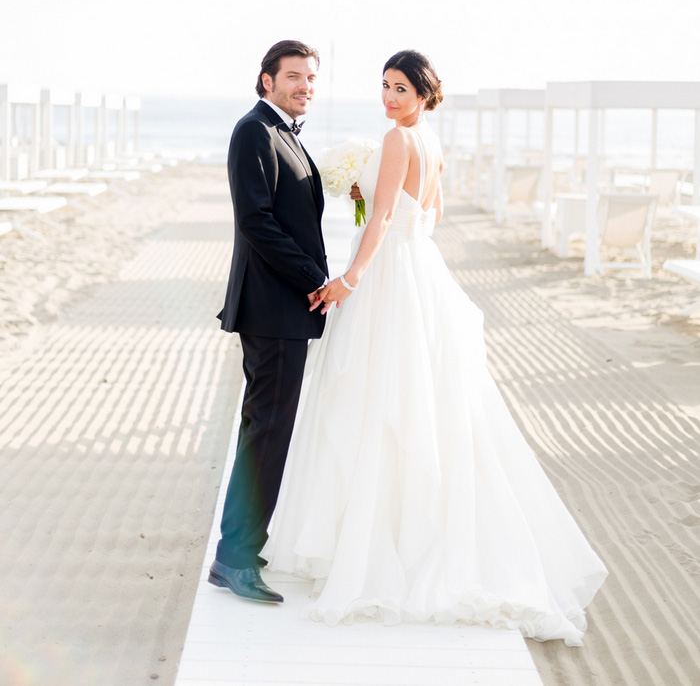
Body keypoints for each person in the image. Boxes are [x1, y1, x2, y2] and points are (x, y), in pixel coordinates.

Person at [263, 49, 607, 644]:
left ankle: (379, 542)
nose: (390, 98)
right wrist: (380, 210)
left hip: (391, 273)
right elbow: (432, 212)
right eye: (386, 87)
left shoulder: (397, 142)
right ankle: (411, 527)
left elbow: (382, 219)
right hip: (421, 268)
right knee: (419, 395)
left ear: (424, 93)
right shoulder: (432, 141)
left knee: (375, 395)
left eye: (401, 89)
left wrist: (351, 277)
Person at [210, 40, 328, 603]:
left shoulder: (286, 134)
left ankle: (239, 549)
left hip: (285, 306)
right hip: (274, 307)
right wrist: (312, 277)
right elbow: (255, 221)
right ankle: (234, 557)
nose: (304, 86)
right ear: (266, 81)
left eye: (310, 78)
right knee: (266, 433)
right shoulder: (253, 132)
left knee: (266, 431)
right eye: (293, 77)